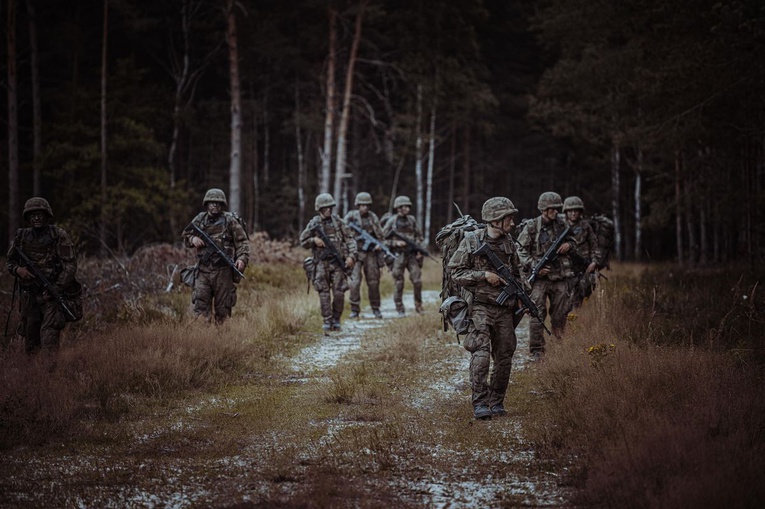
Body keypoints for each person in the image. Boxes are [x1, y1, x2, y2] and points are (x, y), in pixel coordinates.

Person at [448, 197, 523, 420]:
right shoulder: (471, 242)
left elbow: (519, 274)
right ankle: (480, 403)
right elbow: (456, 273)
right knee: (481, 353)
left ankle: (496, 401)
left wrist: (523, 297)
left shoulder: (509, 243)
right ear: (496, 220)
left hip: (505, 309)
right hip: (480, 306)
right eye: (508, 217)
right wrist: (484, 276)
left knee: (505, 356)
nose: (512, 221)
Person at [6, 197, 78, 352]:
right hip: (29, 296)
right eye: (33, 215)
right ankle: (33, 374)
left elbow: (70, 265)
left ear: (47, 215)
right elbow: (10, 261)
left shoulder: (58, 235)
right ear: (28, 217)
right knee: (31, 341)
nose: (37, 217)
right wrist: (19, 270)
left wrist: (56, 288)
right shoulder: (22, 236)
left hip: (50, 295)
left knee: (50, 337)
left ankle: (50, 375)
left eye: (40, 214)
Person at [516, 191, 577, 358]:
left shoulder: (562, 225)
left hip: (560, 277)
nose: (556, 212)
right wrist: (535, 265)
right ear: (543, 209)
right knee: (537, 314)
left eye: (557, 209)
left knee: (561, 314)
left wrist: (569, 246)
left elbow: (574, 241)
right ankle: (537, 351)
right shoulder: (531, 226)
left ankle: (559, 346)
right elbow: (519, 250)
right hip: (539, 279)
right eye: (552, 209)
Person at [182, 188, 249, 324]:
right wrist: (192, 239)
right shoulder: (200, 219)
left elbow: (242, 242)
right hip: (203, 271)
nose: (215, 205)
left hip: (223, 272)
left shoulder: (230, 221)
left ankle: (221, 341)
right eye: (212, 202)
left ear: (222, 205)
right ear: (206, 204)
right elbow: (186, 235)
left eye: (218, 203)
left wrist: (242, 259)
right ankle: (203, 341)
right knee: (200, 309)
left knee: (223, 311)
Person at [300, 193, 356, 333]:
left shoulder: (339, 222)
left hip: (337, 263)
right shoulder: (314, 223)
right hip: (320, 263)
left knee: (339, 292)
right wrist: (314, 240)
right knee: (323, 293)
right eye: (326, 208)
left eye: (330, 207)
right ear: (319, 208)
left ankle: (336, 320)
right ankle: (327, 320)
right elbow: (303, 241)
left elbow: (350, 240)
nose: (329, 210)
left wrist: (351, 257)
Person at [344, 192, 385, 319]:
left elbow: (380, 235)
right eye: (362, 205)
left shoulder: (373, 218)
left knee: (373, 282)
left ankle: (376, 308)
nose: (365, 207)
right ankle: (354, 309)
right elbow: (343, 229)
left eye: (367, 205)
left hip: (370, 253)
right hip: (355, 253)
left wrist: (379, 245)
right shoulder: (351, 216)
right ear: (358, 205)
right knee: (354, 282)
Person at [383, 195, 424, 316]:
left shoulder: (412, 220)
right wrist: (395, 243)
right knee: (399, 282)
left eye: (407, 206)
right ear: (398, 208)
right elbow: (382, 239)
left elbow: (419, 237)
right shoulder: (392, 221)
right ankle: (400, 308)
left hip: (411, 255)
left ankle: (418, 305)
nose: (406, 208)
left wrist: (419, 251)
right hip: (398, 255)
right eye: (404, 206)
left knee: (417, 280)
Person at [562, 196, 602, 309]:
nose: (573, 213)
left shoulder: (586, 226)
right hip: (565, 268)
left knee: (581, 294)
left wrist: (594, 262)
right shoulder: (560, 225)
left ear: (580, 212)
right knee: (564, 297)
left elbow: (594, 246)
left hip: (583, 268)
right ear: (566, 211)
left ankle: (577, 319)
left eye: (576, 211)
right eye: (570, 211)